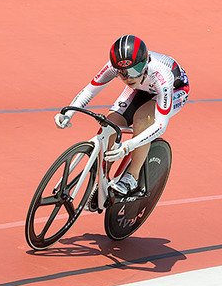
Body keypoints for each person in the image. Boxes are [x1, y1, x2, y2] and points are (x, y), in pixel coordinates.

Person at [54, 35, 190, 196]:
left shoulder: (162, 74)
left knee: (142, 120)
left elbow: (160, 126)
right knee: (110, 124)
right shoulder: (114, 67)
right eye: (123, 73)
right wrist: (68, 113)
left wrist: (128, 146)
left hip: (174, 91)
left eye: (134, 70)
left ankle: (132, 177)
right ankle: (103, 179)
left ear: (145, 63)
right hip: (142, 88)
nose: (129, 77)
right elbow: (90, 90)